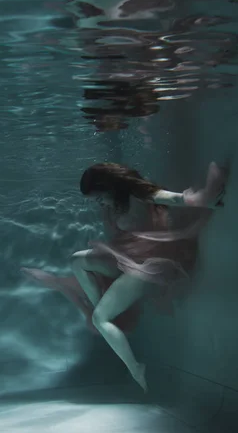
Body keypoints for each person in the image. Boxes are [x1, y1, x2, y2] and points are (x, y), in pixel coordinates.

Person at [22, 161, 227, 393]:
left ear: (110, 187)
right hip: (128, 257)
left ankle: (135, 367)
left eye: (99, 198)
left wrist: (203, 200)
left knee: (100, 320)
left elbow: (175, 199)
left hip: (150, 266)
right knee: (77, 260)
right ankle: (102, 308)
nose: (100, 204)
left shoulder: (140, 193)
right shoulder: (117, 204)